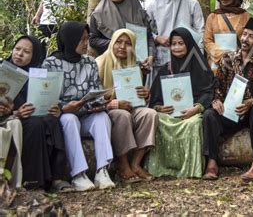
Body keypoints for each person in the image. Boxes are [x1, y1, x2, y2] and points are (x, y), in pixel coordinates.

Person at [42, 21, 115, 191]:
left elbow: (95, 90)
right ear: (69, 39)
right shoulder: (51, 64)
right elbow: (46, 97)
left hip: (87, 113)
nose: (86, 43)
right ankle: (78, 174)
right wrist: (63, 107)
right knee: (69, 119)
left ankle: (102, 170)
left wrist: (99, 102)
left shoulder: (89, 62)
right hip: (65, 118)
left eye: (87, 38)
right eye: (81, 39)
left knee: (102, 117)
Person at [1, 35, 71, 192]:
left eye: (26, 51)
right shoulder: (3, 70)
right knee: (35, 124)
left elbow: (46, 96)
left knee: (52, 121)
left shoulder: (38, 73)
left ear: (34, 56)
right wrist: (15, 112)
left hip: (32, 115)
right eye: (17, 49)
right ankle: (33, 182)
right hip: (11, 118)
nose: (19, 54)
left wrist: (55, 108)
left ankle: (56, 178)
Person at [202, 18, 253, 181]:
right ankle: (212, 163)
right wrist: (216, 99)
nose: (245, 39)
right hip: (229, 112)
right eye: (244, 34)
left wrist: (251, 102)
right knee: (210, 114)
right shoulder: (228, 59)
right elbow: (216, 85)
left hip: (248, 114)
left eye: (251, 36)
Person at [145, 28, 214, 178]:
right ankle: (162, 168)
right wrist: (159, 108)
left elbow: (209, 92)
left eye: (181, 43)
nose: (176, 47)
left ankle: (189, 169)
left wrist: (196, 109)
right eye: (173, 44)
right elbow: (154, 99)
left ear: (189, 45)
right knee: (159, 120)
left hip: (192, 112)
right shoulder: (165, 69)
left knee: (193, 124)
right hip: (170, 114)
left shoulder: (201, 67)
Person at [96, 29, 157, 182]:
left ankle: (136, 164)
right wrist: (115, 103)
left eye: (128, 43)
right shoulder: (99, 63)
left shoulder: (133, 64)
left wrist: (145, 94)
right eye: (119, 42)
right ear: (112, 43)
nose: (123, 46)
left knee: (149, 114)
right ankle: (122, 165)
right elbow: (93, 99)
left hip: (130, 108)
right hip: (107, 110)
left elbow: (136, 98)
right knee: (122, 115)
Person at [89, 0, 154, 71]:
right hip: (111, 67)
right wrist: (115, 44)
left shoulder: (139, 12)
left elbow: (149, 37)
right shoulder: (99, 14)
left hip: (137, 67)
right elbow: (93, 40)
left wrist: (151, 55)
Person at [146, 0, 205, 66]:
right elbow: (146, 32)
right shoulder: (153, 6)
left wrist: (199, 57)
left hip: (188, 59)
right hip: (161, 60)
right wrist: (158, 38)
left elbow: (201, 31)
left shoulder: (192, 4)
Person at [204, 0, 251, 70]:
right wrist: (222, 55)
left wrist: (238, 55)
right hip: (216, 64)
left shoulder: (245, 15)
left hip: (238, 63)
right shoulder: (213, 16)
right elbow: (207, 41)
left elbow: (250, 39)